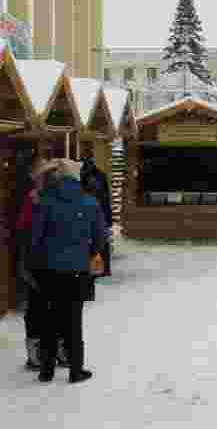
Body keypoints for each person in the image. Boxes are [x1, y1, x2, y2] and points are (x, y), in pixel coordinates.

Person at [30, 159, 106, 383]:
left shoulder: (46, 201)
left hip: (49, 270)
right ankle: (75, 370)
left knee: (49, 320)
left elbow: (36, 237)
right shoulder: (90, 203)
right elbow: (100, 238)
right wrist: (87, 254)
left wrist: (38, 261)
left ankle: (46, 371)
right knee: (73, 321)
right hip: (77, 270)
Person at [17, 159, 60, 371]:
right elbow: (24, 230)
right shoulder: (35, 198)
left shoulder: (38, 198)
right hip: (44, 260)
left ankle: (42, 353)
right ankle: (46, 352)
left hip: (42, 260)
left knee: (41, 306)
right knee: (44, 306)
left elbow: (23, 230)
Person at [81, 152, 113, 276]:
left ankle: (103, 268)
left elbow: (105, 196)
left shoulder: (96, 175)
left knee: (99, 239)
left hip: (95, 209)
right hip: (95, 209)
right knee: (98, 239)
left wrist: (108, 218)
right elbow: (105, 196)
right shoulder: (97, 174)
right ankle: (100, 268)